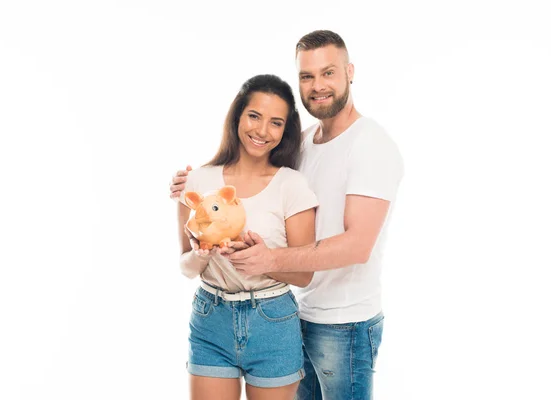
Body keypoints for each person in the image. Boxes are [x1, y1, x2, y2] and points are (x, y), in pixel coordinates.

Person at [170, 30, 404, 400]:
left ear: (350, 72)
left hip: (345, 322)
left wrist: (265, 260)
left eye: (328, 72)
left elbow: (358, 245)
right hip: (298, 314)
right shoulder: (305, 144)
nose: (317, 85)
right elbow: (250, 179)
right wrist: (192, 190)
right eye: (307, 76)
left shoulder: (370, 145)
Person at [175, 74, 319, 400]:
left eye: (275, 122)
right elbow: (185, 265)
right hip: (211, 319)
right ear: (238, 115)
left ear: (285, 130)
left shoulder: (292, 185)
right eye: (254, 116)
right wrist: (200, 255)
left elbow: (304, 273)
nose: (261, 131)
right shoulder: (198, 182)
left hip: (273, 322)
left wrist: (261, 262)